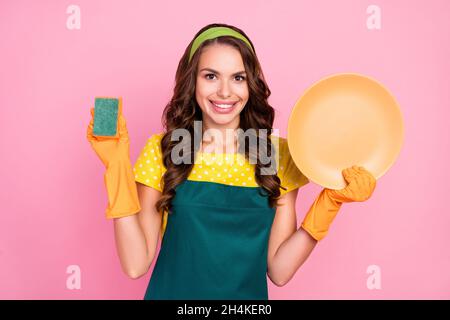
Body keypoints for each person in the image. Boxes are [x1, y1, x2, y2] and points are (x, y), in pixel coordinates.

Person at [86, 23, 376, 300]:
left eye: (238, 77)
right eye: (210, 76)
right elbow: (136, 264)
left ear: (251, 85)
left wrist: (330, 203)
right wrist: (117, 168)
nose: (225, 91)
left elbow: (280, 270)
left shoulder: (275, 155)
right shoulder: (166, 151)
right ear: (192, 81)